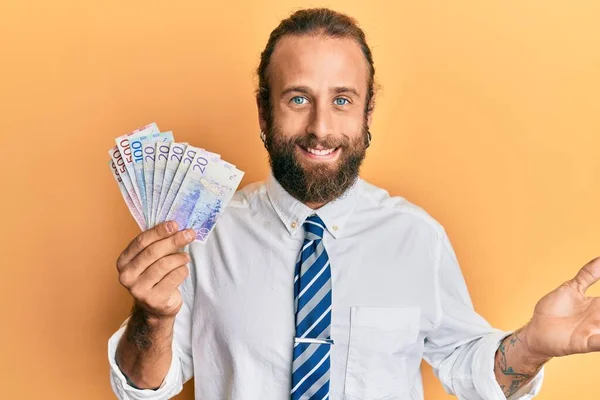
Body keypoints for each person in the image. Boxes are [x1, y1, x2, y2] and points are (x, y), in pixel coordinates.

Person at [108, 8, 600, 400]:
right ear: (263, 110)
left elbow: (470, 371)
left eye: (342, 100)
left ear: (367, 112)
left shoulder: (416, 237)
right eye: (298, 99)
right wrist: (151, 318)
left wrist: (533, 347)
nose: (322, 128)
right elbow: (144, 388)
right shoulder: (199, 235)